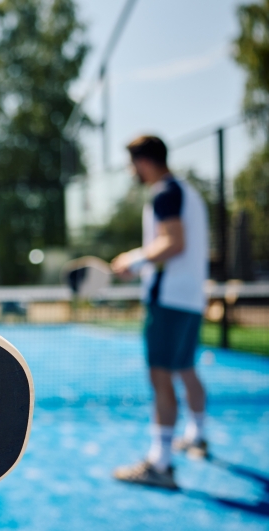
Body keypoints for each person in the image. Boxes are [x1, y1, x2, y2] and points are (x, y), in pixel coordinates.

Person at [110, 135, 209, 489]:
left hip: (168, 301)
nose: (130, 170)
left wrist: (133, 261)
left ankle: (161, 463)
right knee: (186, 369)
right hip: (191, 299)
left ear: (145, 162)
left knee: (161, 377)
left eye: (132, 163)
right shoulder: (189, 192)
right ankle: (197, 435)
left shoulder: (165, 193)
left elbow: (173, 242)